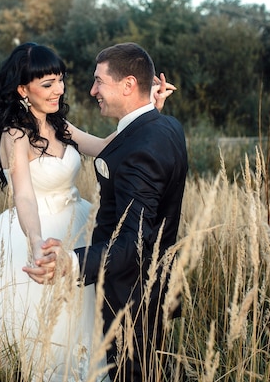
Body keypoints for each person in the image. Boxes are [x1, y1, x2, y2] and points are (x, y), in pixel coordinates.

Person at [0, 42, 175, 381]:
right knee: (40, 330)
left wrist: (149, 108)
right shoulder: (15, 134)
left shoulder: (60, 124)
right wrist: (36, 239)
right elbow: (23, 196)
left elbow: (107, 147)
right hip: (36, 228)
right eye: (47, 83)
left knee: (85, 315)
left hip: (78, 224)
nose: (59, 90)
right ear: (24, 89)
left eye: (60, 80)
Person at [24, 43, 188, 382]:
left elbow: (134, 242)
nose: (91, 89)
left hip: (131, 292)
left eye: (99, 81)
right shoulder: (168, 126)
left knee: (133, 372)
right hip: (150, 282)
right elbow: (119, 146)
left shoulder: (142, 147)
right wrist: (153, 108)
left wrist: (71, 263)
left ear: (128, 85)